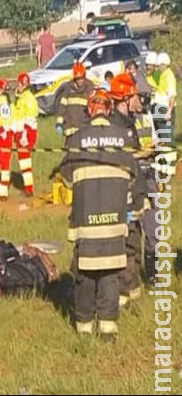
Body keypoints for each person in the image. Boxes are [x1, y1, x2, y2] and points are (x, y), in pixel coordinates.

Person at [62, 89, 138, 342]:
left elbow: (65, 177)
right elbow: (133, 175)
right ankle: (108, 332)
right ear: (108, 109)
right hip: (114, 224)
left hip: (86, 223)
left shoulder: (76, 139)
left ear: (91, 110)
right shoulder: (123, 137)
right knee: (110, 275)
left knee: (85, 276)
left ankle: (84, 329)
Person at [108, 73, 148, 307]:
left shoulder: (129, 122)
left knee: (135, 246)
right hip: (124, 199)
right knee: (127, 247)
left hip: (136, 197)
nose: (140, 100)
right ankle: (123, 298)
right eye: (136, 95)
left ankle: (133, 296)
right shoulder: (116, 127)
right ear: (124, 98)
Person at [54, 62, 97, 203]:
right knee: (68, 158)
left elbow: (95, 108)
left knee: (85, 158)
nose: (79, 81)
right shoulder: (68, 88)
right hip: (70, 131)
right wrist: (59, 123)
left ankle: (85, 186)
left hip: (85, 131)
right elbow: (62, 107)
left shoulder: (90, 88)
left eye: (81, 78)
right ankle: (69, 184)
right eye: (77, 79)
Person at [153, 52, 177, 182]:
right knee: (162, 139)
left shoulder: (169, 76)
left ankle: (171, 169)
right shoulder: (162, 74)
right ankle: (164, 167)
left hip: (166, 110)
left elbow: (173, 96)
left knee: (168, 140)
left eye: (159, 65)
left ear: (164, 64)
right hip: (160, 109)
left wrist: (169, 111)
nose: (158, 68)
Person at [14, 72, 39, 196]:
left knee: (25, 162)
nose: (20, 86)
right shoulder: (21, 96)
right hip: (20, 133)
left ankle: (29, 189)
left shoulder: (28, 98)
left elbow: (31, 119)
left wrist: (25, 134)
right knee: (23, 162)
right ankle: (27, 187)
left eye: (22, 84)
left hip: (26, 133)